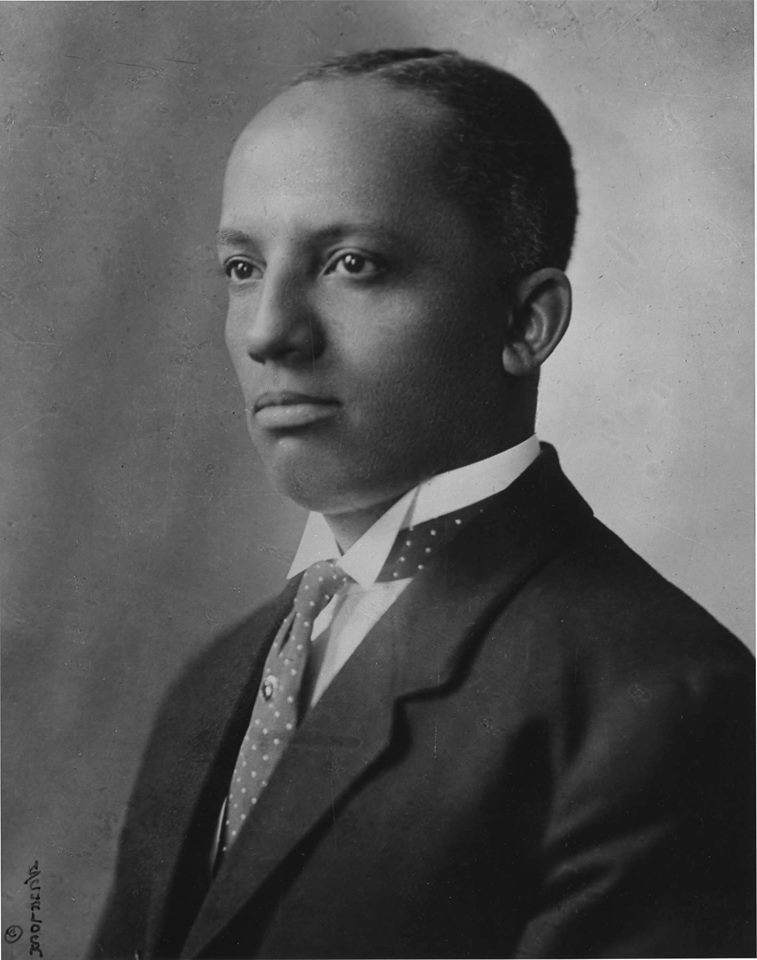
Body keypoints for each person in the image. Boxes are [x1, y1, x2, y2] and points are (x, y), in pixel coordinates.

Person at [90, 48, 755, 959]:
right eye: (241, 269)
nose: (268, 332)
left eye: (352, 263)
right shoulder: (217, 679)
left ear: (525, 323)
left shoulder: (661, 698)